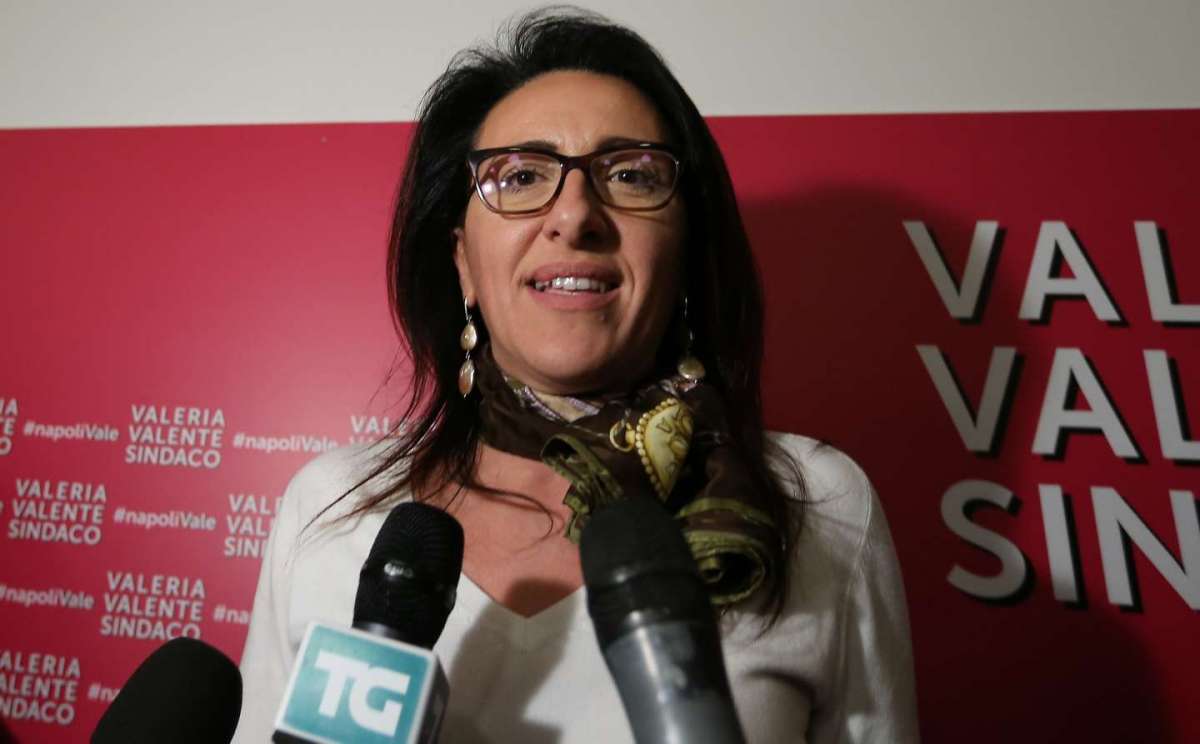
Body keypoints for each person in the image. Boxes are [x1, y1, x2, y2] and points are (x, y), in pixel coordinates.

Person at [234, 9, 918, 743]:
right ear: (464, 264)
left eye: (630, 175)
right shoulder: (329, 508)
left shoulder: (818, 505)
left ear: (684, 253)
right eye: (521, 176)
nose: (575, 215)